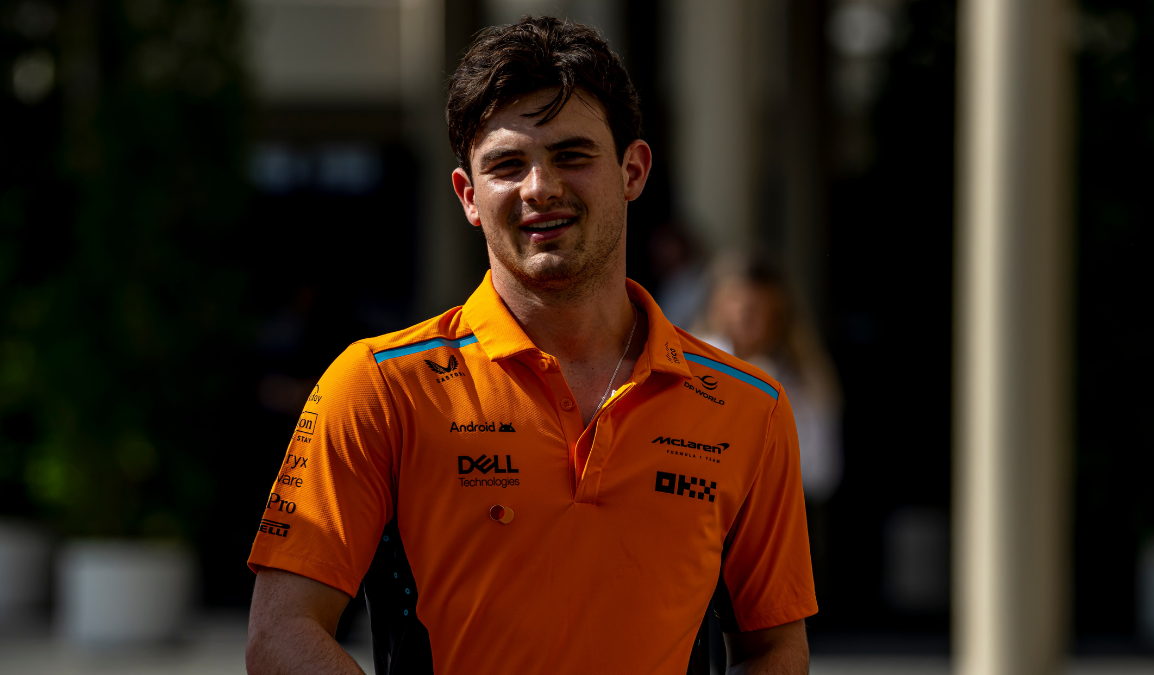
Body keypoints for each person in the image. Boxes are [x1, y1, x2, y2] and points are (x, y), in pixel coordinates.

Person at [245, 17, 816, 675]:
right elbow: (281, 633)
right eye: (507, 164)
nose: (540, 187)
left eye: (572, 155)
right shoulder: (378, 386)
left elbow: (776, 648)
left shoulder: (749, 406)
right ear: (469, 196)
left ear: (633, 170)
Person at [693, 255, 843, 504]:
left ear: (779, 312)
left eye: (757, 308)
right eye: (736, 301)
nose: (745, 315)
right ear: (716, 304)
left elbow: (820, 471)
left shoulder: (804, 377)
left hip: (771, 510)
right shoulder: (688, 364)